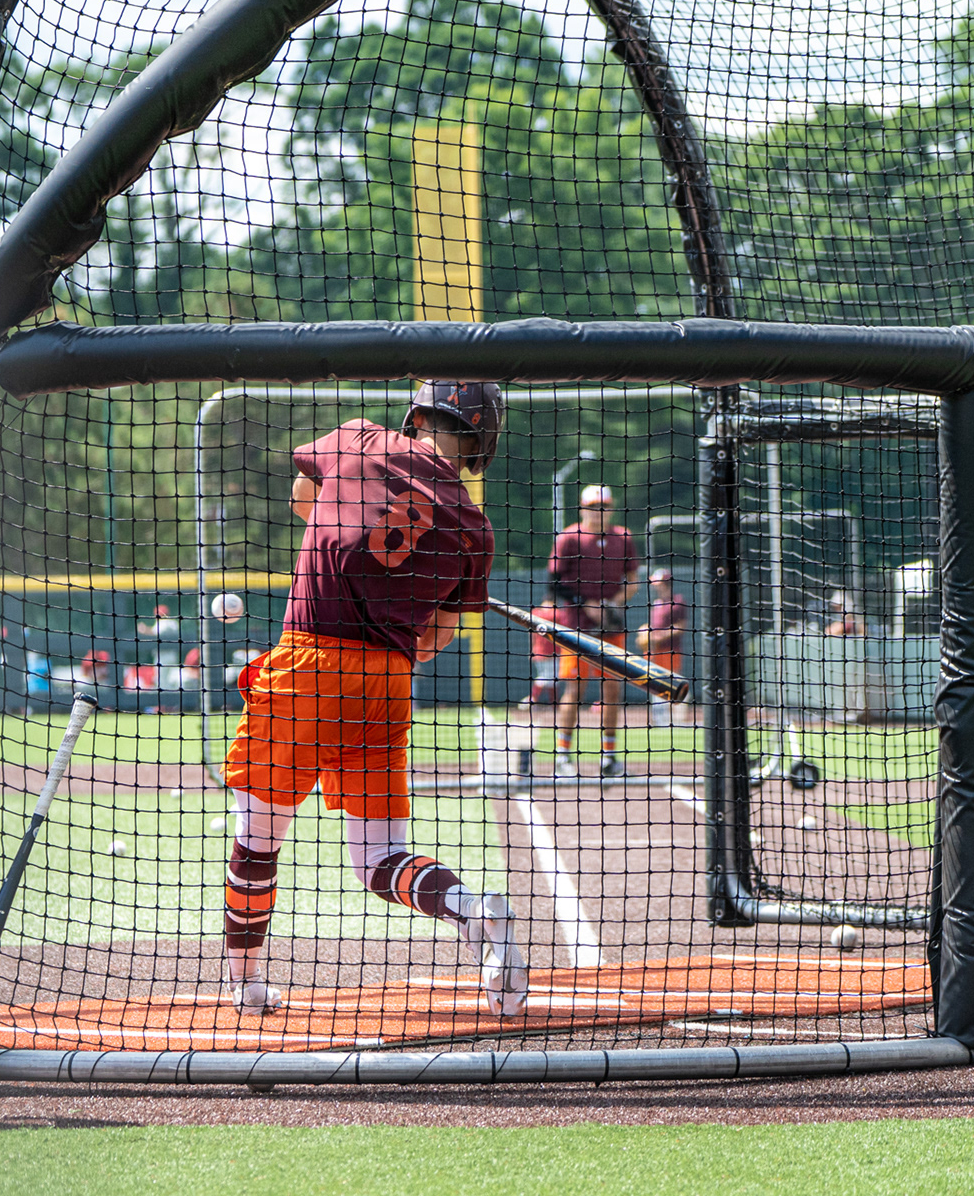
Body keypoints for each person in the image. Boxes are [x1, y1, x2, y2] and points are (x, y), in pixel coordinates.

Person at [221, 381, 526, 1018]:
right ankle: (469, 906)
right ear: (481, 441)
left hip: (308, 666)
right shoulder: (474, 527)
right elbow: (434, 640)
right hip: (387, 681)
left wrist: (347, 530)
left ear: (419, 413)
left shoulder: (360, 438)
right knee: (379, 858)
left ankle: (246, 982)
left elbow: (302, 497)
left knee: (258, 839)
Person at [548, 483, 639, 777]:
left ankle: (609, 757)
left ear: (611, 508)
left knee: (612, 689)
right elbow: (553, 583)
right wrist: (586, 604)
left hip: (610, 627)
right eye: (593, 507)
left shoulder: (623, 537)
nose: (599, 512)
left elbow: (633, 579)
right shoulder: (569, 538)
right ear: (582, 509)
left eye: (604, 507)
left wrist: (612, 604)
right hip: (576, 628)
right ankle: (563, 756)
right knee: (575, 688)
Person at [635, 569, 687, 728]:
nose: (655, 587)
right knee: (654, 685)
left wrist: (659, 636)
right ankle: (660, 720)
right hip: (654, 651)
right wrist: (645, 634)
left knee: (673, 683)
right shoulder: (656, 603)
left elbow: (681, 627)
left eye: (658, 584)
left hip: (670, 650)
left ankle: (678, 720)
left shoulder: (677, 601)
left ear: (666, 584)